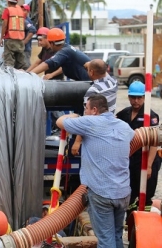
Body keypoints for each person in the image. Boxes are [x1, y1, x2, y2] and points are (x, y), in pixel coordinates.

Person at [56, 94, 134, 248]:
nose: (84, 111)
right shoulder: (124, 126)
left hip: (102, 193)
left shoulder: (89, 122)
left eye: (86, 108)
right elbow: (132, 138)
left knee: (105, 241)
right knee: (117, 235)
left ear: (94, 110)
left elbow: (60, 122)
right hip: (123, 192)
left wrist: (75, 115)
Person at [116, 81, 161, 219]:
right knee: (130, 191)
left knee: (146, 192)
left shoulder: (150, 116)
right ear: (129, 97)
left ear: (144, 97)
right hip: (131, 158)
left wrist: (148, 166)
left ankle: (144, 221)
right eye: (133, 97)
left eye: (139, 97)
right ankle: (130, 222)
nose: (136, 101)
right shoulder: (125, 113)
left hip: (147, 159)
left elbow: (154, 143)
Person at [71, 59, 118, 155]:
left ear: (91, 72)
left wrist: (77, 141)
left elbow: (87, 118)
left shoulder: (93, 91)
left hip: (95, 133)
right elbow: (104, 73)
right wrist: (90, 66)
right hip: (109, 130)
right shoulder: (113, 83)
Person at [0, 0, 26, 69]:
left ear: (7, 0)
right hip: (20, 39)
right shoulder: (21, 11)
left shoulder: (7, 10)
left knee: (9, 63)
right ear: (17, 1)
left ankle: (10, 79)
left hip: (10, 39)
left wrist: (1, 38)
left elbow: (4, 25)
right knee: (20, 63)